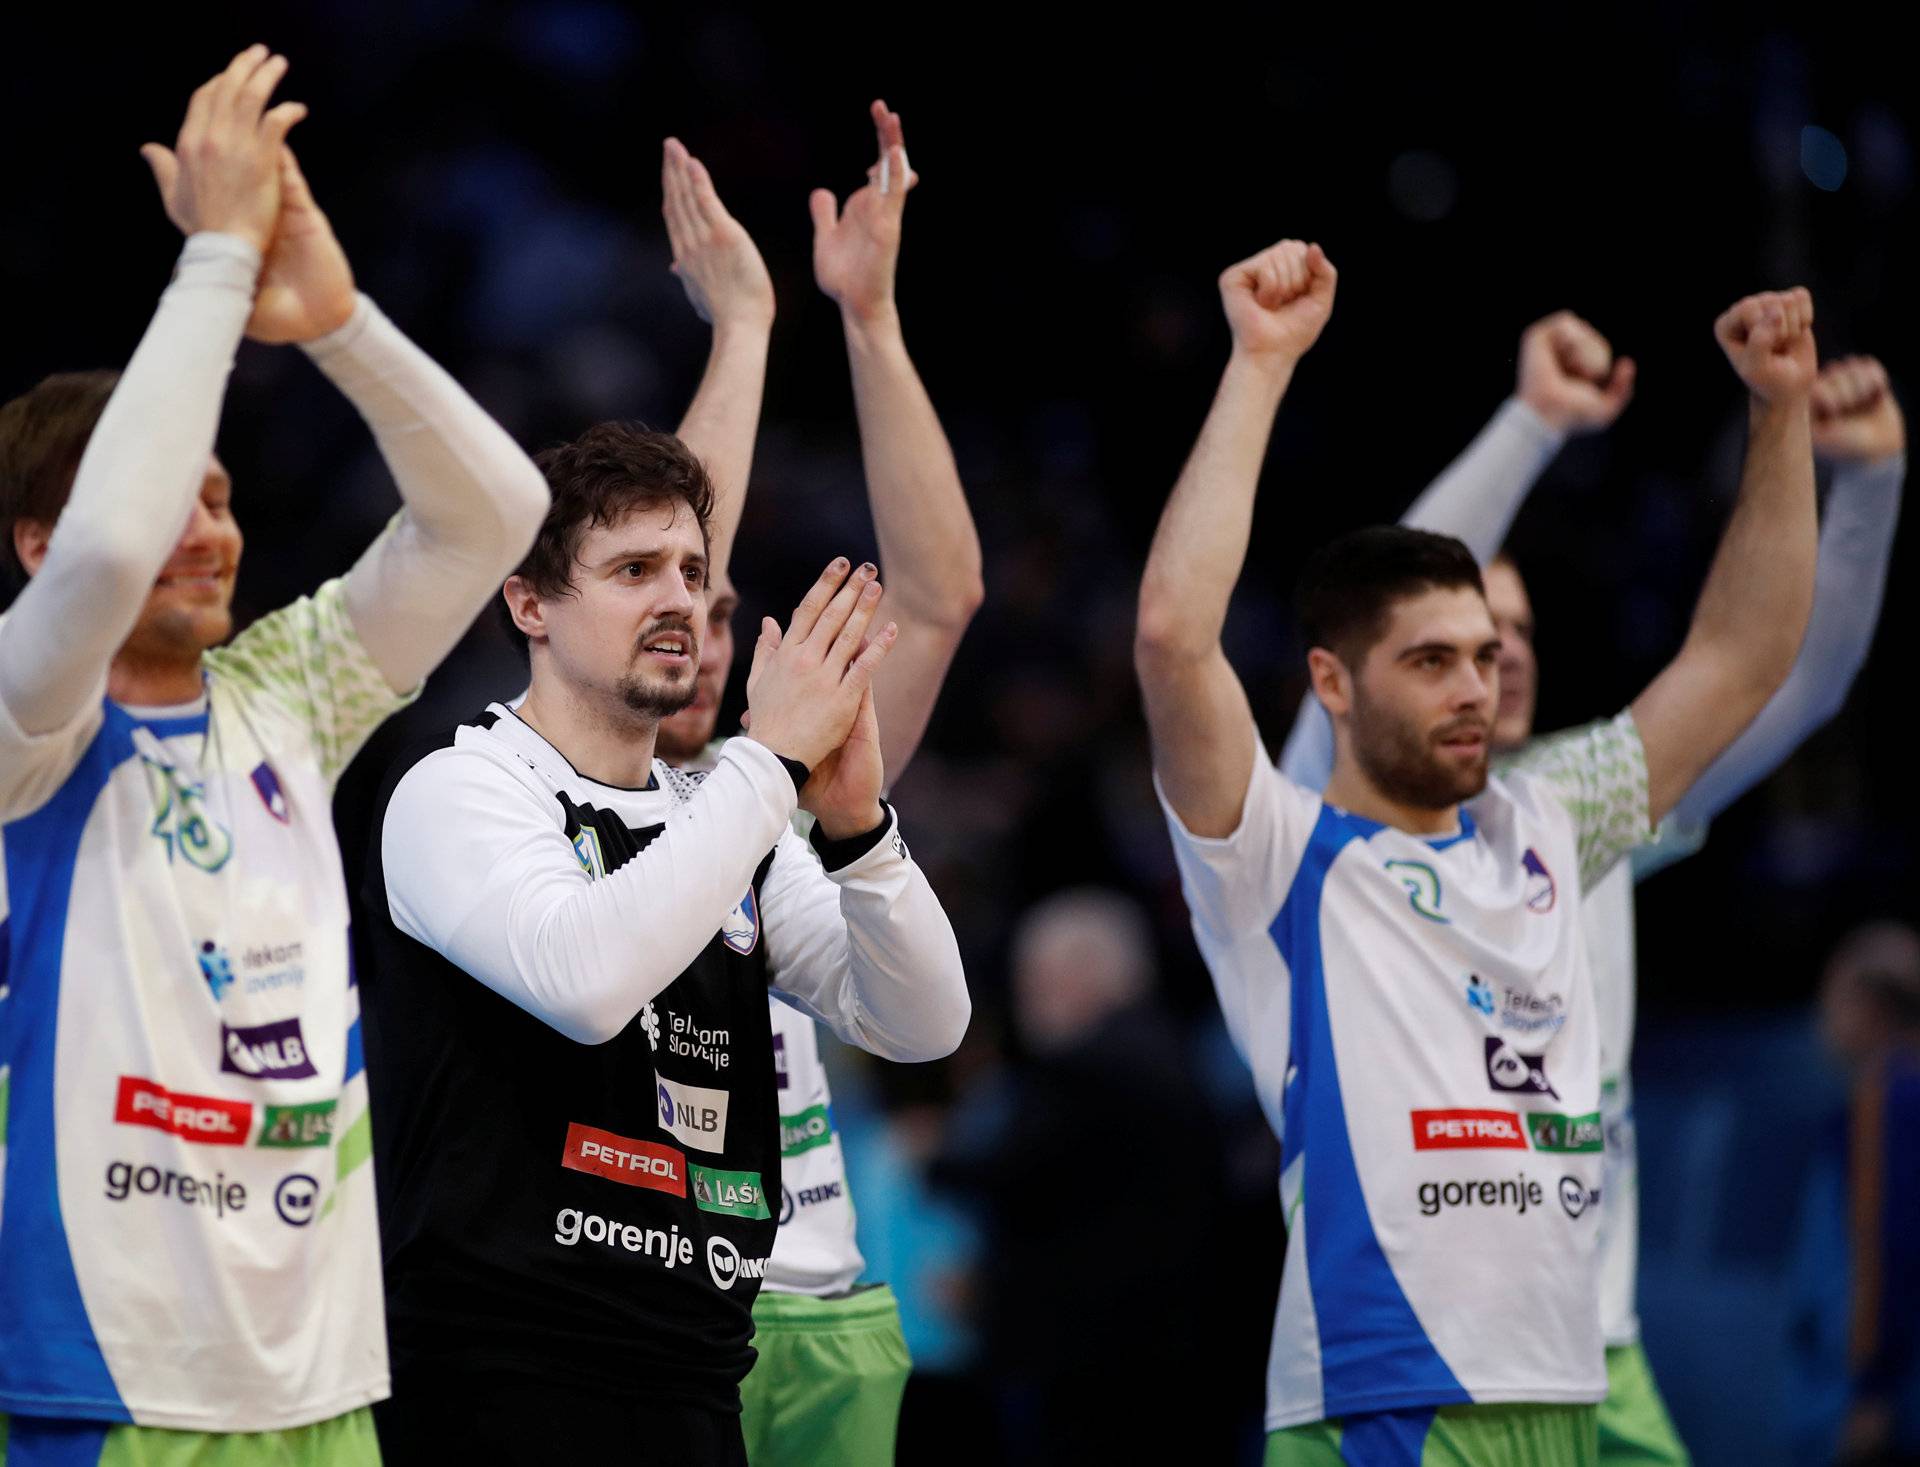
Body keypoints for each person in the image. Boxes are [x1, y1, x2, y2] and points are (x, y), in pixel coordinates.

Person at [1134, 235, 1819, 1464]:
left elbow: (1743, 656)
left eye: (1489, 657)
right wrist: (1258, 365)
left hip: (1562, 1396)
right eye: (1434, 660)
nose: (1475, 687)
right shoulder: (1278, 852)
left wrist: (1779, 416)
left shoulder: (1551, 815)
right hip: (1382, 1406)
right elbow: (1175, 637)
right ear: (1332, 684)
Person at [0, 45, 548, 1463]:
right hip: (99, 1380)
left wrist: (337, 321)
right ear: (33, 549)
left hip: (315, 1379)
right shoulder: (25, 719)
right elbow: (116, 543)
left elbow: (498, 513)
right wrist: (218, 266)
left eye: (226, 495)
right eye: (174, 494)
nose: (207, 526)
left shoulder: (285, 693)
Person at [1275, 314, 1907, 1464]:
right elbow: (1386, 597)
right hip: (1408, 1361)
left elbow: (1782, 673)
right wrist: (1531, 427)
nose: (1493, 655)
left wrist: (1867, 481)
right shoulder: (1321, 828)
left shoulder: (1583, 806)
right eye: (1460, 638)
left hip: (1592, 1350)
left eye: (1511, 633)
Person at [357, 411, 970, 1461]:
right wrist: (768, 764)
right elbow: (587, 978)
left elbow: (923, 1024)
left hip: (695, 1373)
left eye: (691, 570)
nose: (680, 598)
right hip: (496, 1374)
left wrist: (860, 833)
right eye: (635, 568)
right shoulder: (458, 788)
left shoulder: (730, 813)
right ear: (529, 603)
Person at [650, 101, 983, 1467]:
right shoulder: (533, 782)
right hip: (653, 1302)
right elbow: (662, 541)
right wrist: (741, 327)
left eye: (723, 605)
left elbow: (942, 592)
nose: (698, 621)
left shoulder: (774, 790)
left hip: (828, 1302)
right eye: (671, 595)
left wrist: (870, 319)